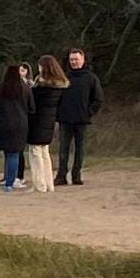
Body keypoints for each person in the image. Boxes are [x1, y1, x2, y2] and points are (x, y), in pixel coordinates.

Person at [55, 47, 102, 184]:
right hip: (65, 119)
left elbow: (98, 99)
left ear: (83, 60)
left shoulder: (91, 77)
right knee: (63, 148)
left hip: (82, 119)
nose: (74, 62)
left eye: (76, 59)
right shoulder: (65, 77)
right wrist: (58, 113)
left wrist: (89, 112)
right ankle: (61, 176)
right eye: (71, 60)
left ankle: (77, 175)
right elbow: (57, 97)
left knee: (80, 149)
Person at [19, 58, 63, 195]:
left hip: (38, 121)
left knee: (35, 152)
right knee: (45, 153)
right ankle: (48, 184)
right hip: (49, 121)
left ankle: (39, 185)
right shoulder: (59, 85)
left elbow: (31, 99)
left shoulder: (42, 86)